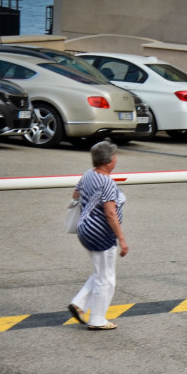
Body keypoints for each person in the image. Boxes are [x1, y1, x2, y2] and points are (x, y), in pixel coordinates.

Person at [68, 140, 128, 330]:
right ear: (109, 161)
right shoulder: (107, 182)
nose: (117, 160)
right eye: (115, 157)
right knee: (107, 278)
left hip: (84, 229)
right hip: (101, 234)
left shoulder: (88, 174)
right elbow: (110, 213)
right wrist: (122, 239)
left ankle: (79, 304)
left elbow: (76, 194)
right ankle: (97, 320)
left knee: (100, 271)